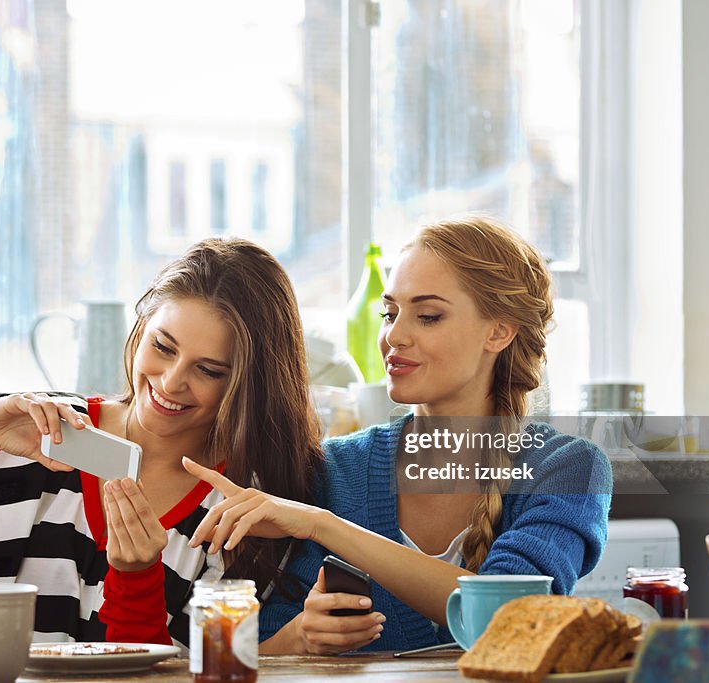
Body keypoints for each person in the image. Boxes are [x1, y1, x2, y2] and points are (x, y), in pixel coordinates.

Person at [0, 238, 324, 659]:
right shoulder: (36, 423)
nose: (171, 382)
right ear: (140, 328)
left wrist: (137, 579)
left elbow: (176, 675)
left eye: (209, 370)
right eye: (163, 347)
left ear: (249, 383)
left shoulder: (241, 510)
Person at [184, 216, 613, 654]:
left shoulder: (568, 468)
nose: (393, 336)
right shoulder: (335, 470)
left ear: (499, 331)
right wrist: (302, 636)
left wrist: (324, 527)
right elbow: (246, 653)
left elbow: (509, 620)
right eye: (390, 314)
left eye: (428, 316)